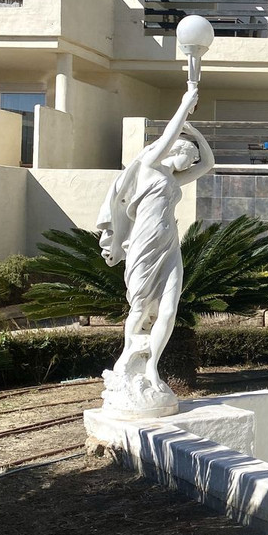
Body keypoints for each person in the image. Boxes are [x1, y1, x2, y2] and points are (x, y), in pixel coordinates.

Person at [97, 82, 215, 417]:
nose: (190, 161)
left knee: (169, 307)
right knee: (139, 307)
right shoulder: (149, 165)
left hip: (169, 245)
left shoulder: (174, 179)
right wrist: (184, 105)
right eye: (187, 154)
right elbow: (167, 137)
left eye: (190, 158)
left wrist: (196, 134)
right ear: (174, 149)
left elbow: (208, 164)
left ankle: (151, 367)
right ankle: (126, 360)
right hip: (144, 244)